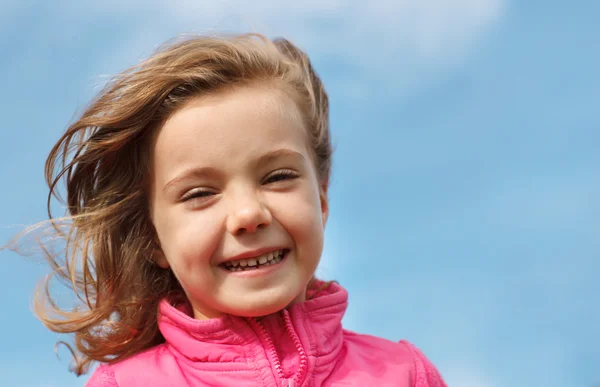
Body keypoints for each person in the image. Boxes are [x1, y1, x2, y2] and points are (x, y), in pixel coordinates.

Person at [17, 33, 447, 386]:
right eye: (199, 193)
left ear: (321, 199)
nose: (248, 214)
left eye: (277, 177)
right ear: (153, 240)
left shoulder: (404, 374)